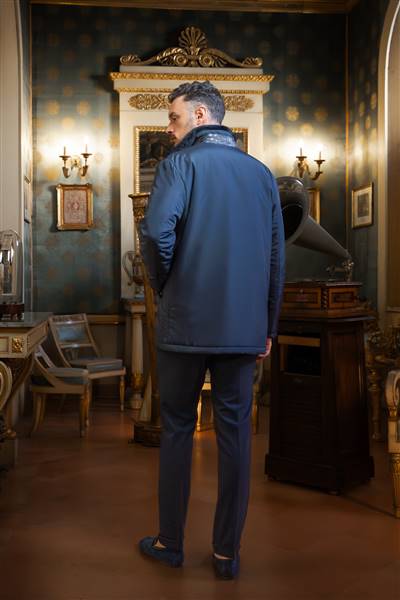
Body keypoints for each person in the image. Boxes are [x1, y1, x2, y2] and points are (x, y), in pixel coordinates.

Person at [138, 80, 285, 580]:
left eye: (174, 117)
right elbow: (275, 258)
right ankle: (227, 554)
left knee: (177, 428)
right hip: (244, 327)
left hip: (184, 322)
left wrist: (165, 286)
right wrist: (267, 325)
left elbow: (156, 233)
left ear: (201, 115)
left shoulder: (178, 164)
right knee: (236, 435)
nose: (169, 127)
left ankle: (170, 543)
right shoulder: (261, 174)